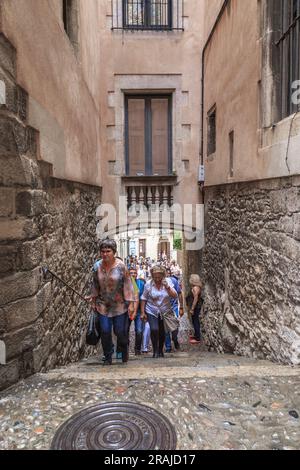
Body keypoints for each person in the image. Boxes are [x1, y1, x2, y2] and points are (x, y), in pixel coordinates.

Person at [90, 239, 135, 365]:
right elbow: (94, 285)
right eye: (103, 251)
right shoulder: (97, 266)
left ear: (114, 252)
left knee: (120, 331)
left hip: (119, 306)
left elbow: (128, 285)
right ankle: (108, 356)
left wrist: (131, 304)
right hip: (103, 305)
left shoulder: (121, 266)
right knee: (105, 330)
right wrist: (93, 301)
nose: (105, 254)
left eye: (108, 251)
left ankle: (124, 348)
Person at [140, 265, 177, 358]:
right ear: (152, 276)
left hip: (165, 310)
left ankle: (160, 349)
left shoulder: (168, 282)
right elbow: (143, 298)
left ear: (163, 276)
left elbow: (174, 295)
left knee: (162, 331)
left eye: (159, 277)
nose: (157, 279)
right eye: (155, 277)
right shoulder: (148, 284)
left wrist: (167, 287)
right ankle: (155, 350)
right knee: (154, 329)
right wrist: (142, 312)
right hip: (151, 309)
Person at [165, 268, 184, 352]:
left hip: (174, 307)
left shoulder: (174, 281)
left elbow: (179, 294)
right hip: (164, 309)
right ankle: (168, 346)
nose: (167, 275)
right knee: (165, 328)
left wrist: (181, 307)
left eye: (168, 274)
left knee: (175, 326)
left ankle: (175, 339)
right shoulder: (159, 282)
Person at [128, 267, 146, 355]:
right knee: (124, 330)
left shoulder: (141, 283)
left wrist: (143, 311)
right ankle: (124, 349)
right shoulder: (125, 284)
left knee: (139, 331)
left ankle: (137, 349)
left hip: (138, 310)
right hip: (127, 310)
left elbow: (144, 298)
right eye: (131, 273)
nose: (133, 275)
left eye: (134, 273)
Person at [186, 274, 203, 344]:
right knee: (194, 321)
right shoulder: (197, 287)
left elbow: (195, 298)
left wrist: (192, 308)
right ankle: (196, 335)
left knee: (195, 321)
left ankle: (197, 337)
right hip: (196, 307)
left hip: (196, 307)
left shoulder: (195, 288)